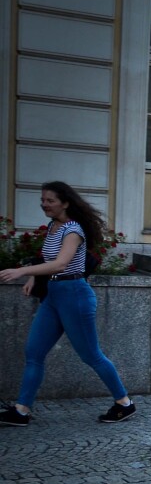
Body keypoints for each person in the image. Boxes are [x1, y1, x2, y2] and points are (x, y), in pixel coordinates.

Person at [0, 181, 137, 426]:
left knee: (91, 355)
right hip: (54, 294)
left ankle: (124, 403)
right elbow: (47, 258)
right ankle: (21, 410)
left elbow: (61, 263)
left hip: (74, 295)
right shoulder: (54, 226)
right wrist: (33, 277)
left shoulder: (73, 230)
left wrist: (20, 271)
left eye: (50, 200)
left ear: (65, 203)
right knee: (34, 352)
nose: (45, 204)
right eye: (43, 200)